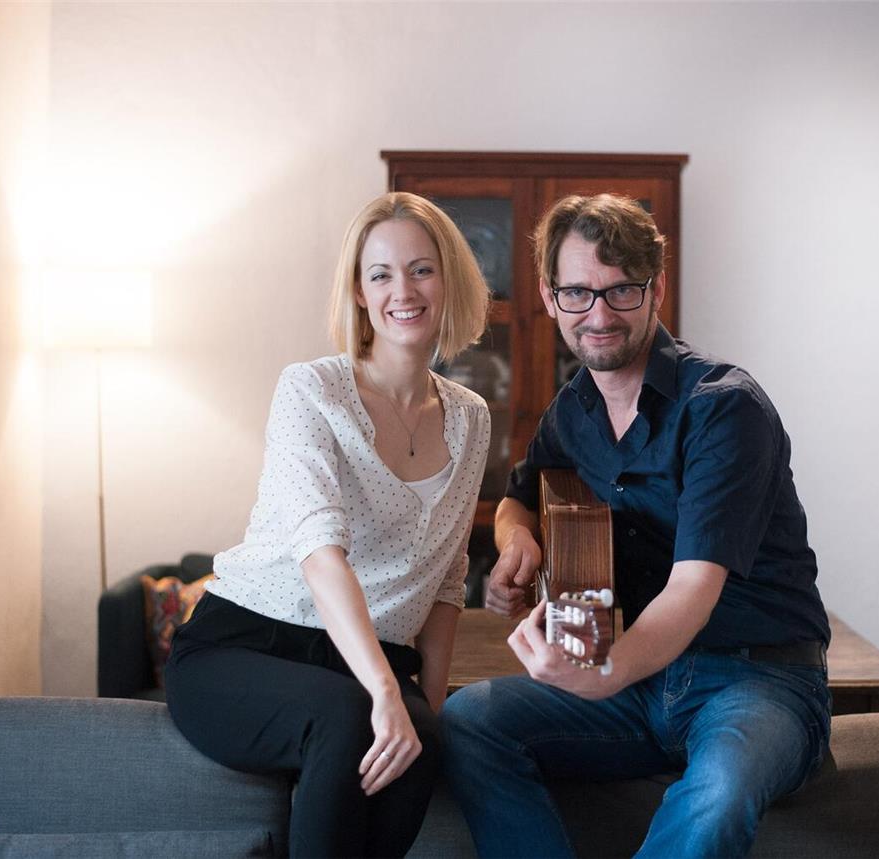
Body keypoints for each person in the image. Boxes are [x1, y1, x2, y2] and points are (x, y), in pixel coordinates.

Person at [441, 194, 831, 858]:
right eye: (578, 292)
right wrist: (519, 544)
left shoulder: (724, 409)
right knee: (467, 721)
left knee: (718, 794)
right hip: (642, 687)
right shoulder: (574, 411)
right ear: (548, 294)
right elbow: (517, 498)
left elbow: (690, 592)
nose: (598, 314)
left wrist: (607, 669)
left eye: (621, 290)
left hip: (756, 681)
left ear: (657, 288)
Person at [166, 192, 491, 858]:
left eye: (422, 269)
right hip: (248, 645)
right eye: (381, 274)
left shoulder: (472, 417)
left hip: (367, 663)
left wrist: (421, 708)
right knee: (347, 718)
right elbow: (319, 553)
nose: (404, 289)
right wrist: (383, 695)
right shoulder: (311, 389)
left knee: (423, 741)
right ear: (360, 293)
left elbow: (450, 576)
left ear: (449, 280)